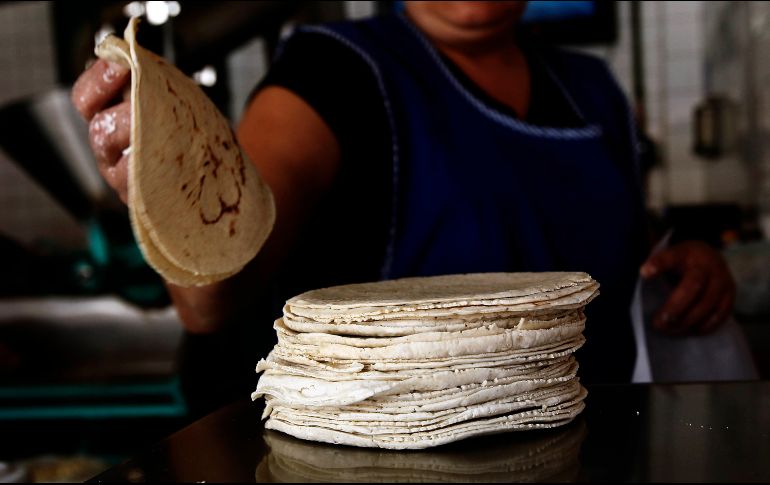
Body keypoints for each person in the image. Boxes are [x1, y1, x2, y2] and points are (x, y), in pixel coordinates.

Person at [72, 1, 734, 410]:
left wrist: (686, 266)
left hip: (597, 447)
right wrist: (162, 181)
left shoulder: (592, 87)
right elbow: (213, 295)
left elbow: (630, 257)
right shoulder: (333, 70)